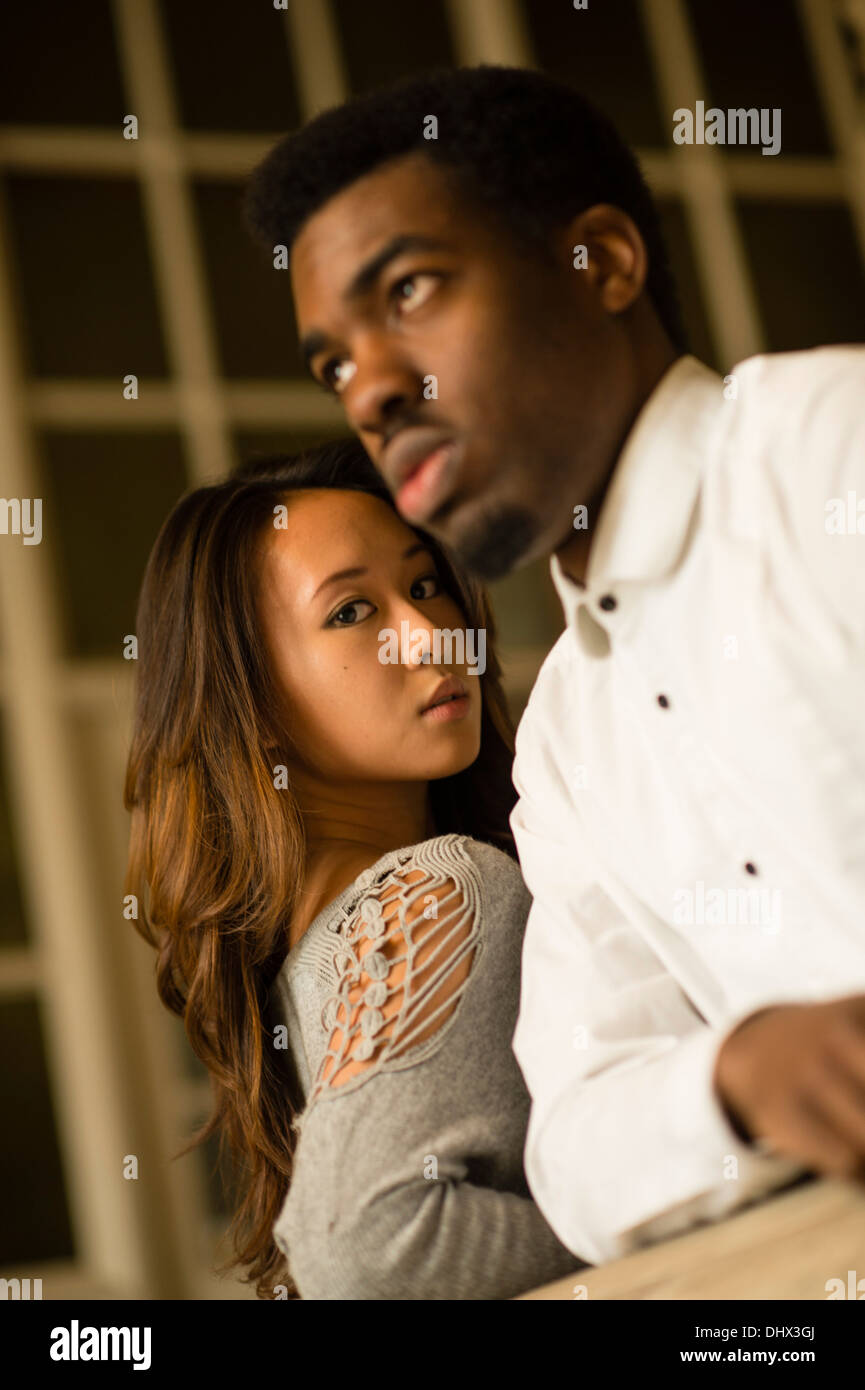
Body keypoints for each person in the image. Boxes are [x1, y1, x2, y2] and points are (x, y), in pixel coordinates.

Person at [242, 63, 865, 1265]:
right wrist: (734, 1077)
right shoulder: (569, 740)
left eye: (411, 289)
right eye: (332, 362)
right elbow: (574, 1152)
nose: (371, 387)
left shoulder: (833, 454)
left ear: (602, 264)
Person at [123, 436, 584, 1299]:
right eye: (349, 613)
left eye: (421, 586)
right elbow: (366, 1245)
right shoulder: (440, 892)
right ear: (250, 703)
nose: (429, 635)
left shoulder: (299, 967)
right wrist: (682, 1213)